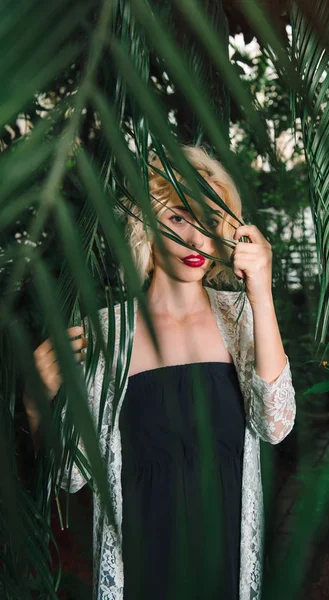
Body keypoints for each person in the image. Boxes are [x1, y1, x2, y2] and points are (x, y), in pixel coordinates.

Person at [24, 145, 296, 600]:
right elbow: (71, 473)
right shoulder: (106, 336)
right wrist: (36, 406)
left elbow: (275, 425)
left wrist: (262, 295)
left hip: (226, 570)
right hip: (144, 572)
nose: (197, 239)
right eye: (177, 218)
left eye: (211, 223)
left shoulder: (244, 319)